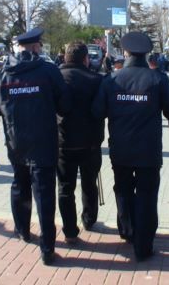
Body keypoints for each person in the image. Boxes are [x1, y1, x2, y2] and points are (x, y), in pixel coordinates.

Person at [92, 32, 169, 261]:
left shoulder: (112, 80)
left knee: (123, 190)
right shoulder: (158, 79)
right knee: (146, 195)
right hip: (148, 150)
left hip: (121, 149)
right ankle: (143, 246)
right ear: (146, 54)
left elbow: (96, 112)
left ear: (125, 53)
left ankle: (127, 231)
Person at [0, 27, 71, 265]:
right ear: (34, 47)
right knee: (44, 195)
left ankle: (22, 230)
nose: (40, 48)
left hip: (16, 144)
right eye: (39, 45)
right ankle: (47, 248)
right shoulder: (48, 72)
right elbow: (65, 106)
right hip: (44, 144)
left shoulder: (2, 75)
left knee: (19, 186)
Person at [57, 42, 104, 243]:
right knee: (89, 184)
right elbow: (102, 110)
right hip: (90, 143)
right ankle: (89, 219)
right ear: (85, 59)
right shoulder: (96, 79)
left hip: (62, 142)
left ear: (65, 57)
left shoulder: (55, 78)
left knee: (65, 187)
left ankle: (69, 230)